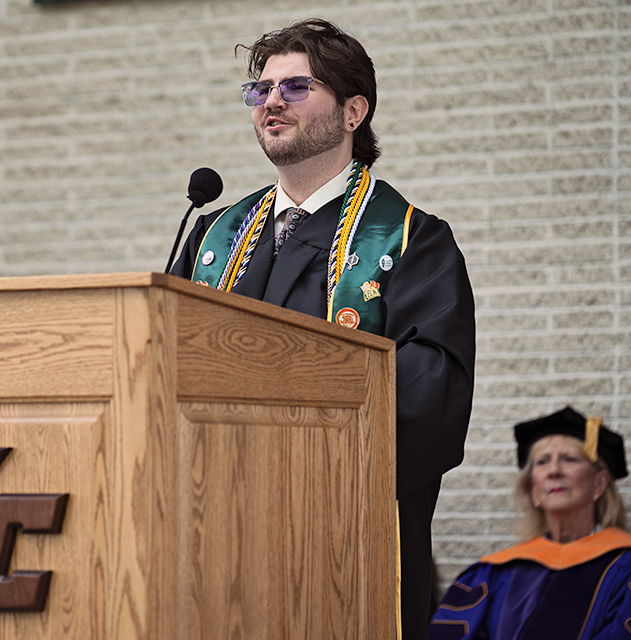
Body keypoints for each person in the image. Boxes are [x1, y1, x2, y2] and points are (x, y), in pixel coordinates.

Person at [170, 18, 475, 639]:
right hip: (212, 533)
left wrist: (286, 461)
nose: (272, 102)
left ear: (353, 112)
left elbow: (430, 395)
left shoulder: (411, 241)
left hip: (339, 547)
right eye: (261, 90)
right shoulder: (214, 236)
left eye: (296, 87)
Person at [428, 406, 631, 640]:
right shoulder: (493, 574)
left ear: (599, 483)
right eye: (542, 462)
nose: (554, 471)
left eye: (570, 459)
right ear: (533, 490)